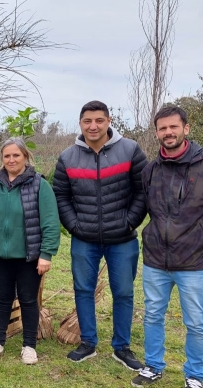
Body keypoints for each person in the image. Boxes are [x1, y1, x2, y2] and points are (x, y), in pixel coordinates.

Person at [130, 106, 203, 388]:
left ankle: (195, 376)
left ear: (186, 128)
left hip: (195, 264)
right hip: (156, 261)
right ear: (157, 133)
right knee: (152, 315)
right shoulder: (151, 170)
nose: (168, 133)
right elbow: (148, 210)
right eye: (162, 128)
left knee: (196, 322)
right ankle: (153, 366)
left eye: (173, 127)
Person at [53, 100, 147, 370]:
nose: (93, 126)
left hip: (122, 238)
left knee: (124, 292)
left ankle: (122, 347)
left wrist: (129, 222)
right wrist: (74, 225)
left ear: (108, 121)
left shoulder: (130, 150)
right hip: (84, 238)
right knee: (83, 289)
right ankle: (88, 343)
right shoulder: (68, 157)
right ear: (80, 124)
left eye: (99, 120)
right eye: (87, 121)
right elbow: (61, 195)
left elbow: (143, 191)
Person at [0, 137, 60, 365]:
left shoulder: (38, 185)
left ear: (25, 156)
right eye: (7, 156)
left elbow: (50, 222)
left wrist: (46, 254)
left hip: (28, 256)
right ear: (2, 159)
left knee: (27, 300)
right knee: (2, 299)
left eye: (16, 155)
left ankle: (29, 346)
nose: (11, 159)